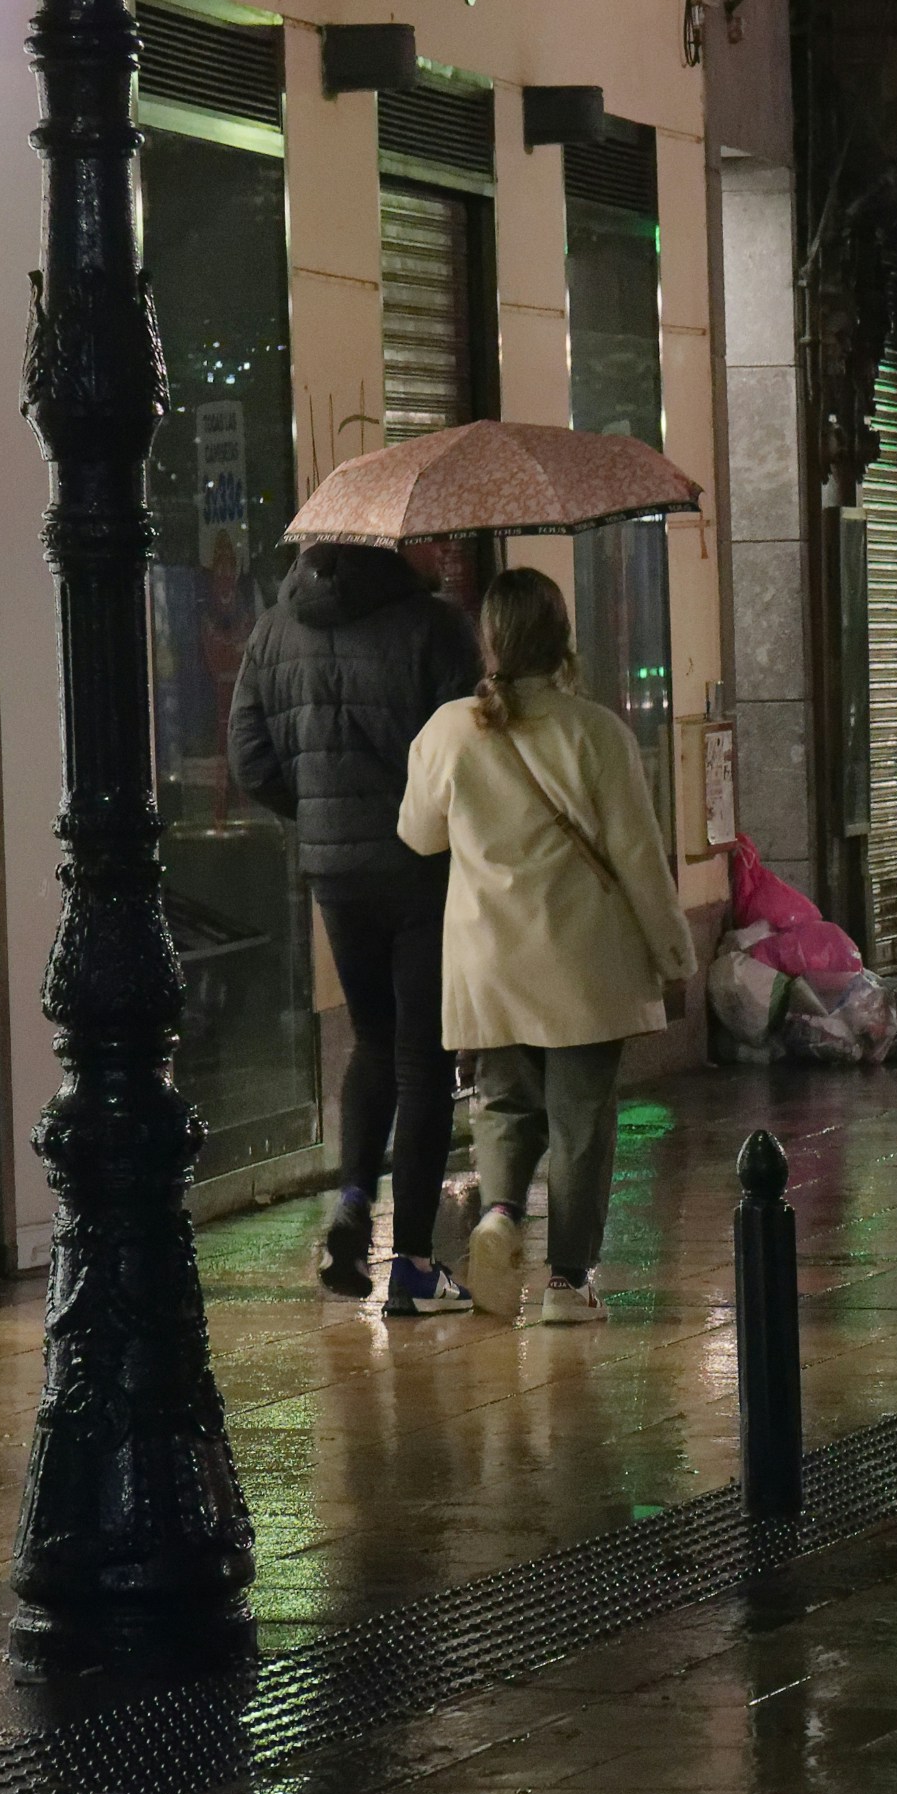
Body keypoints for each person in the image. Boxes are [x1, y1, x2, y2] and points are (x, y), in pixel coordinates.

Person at [396, 568, 696, 1327]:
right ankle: (567, 1282)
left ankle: (497, 1212)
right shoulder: (597, 732)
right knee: (582, 1120)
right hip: (582, 962)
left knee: (501, 1102)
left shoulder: (448, 730)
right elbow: (638, 856)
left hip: (486, 960)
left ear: (486, 639)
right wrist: (674, 957)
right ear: (562, 639)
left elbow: (418, 834)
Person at [228, 538, 481, 1316]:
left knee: (372, 1038)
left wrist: (318, 818)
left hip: (333, 872)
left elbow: (250, 758)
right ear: (393, 544)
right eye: (431, 540)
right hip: (420, 864)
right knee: (422, 1056)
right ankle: (411, 1264)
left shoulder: (273, 628)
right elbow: (473, 750)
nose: (442, 550)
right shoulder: (433, 626)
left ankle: (348, 1203)